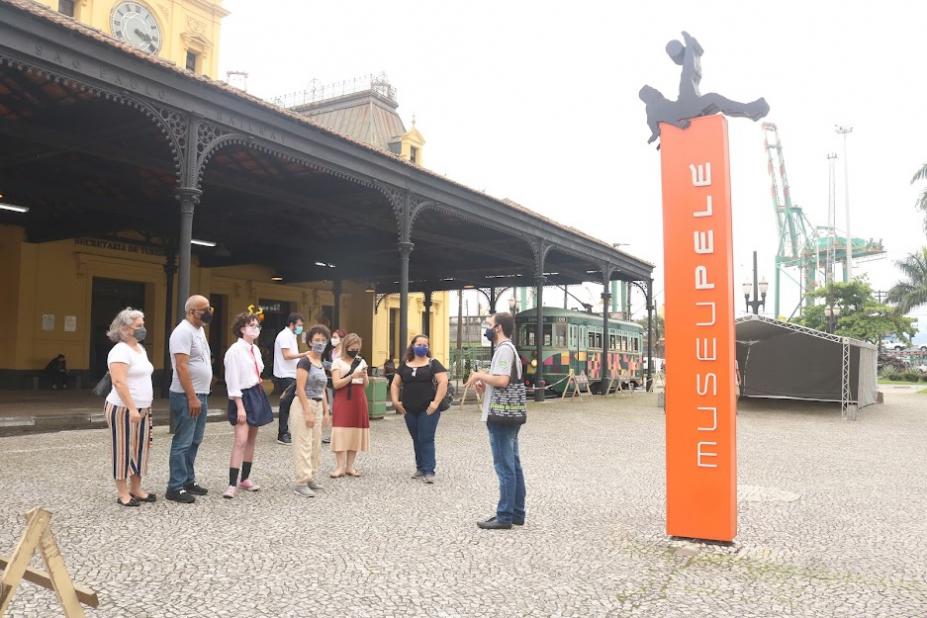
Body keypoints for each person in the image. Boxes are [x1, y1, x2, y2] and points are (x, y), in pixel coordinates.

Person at [465, 312, 526, 530]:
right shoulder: (509, 349)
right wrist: (485, 381)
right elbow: (501, 380)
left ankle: (505, 515)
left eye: (489, 324)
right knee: (514, 464)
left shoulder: (503, 349)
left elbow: (502, 380)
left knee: (504, 465)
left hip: (500, 415)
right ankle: (517, 512)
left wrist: (480, 376)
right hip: (510, 414)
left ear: (498, 327)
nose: (487, 328)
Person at [103, 308, 155, 507]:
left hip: (143, 408)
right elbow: (119, 382)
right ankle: (123, 492)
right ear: (125, 329)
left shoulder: (141, 349)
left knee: (142, 448)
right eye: (139, 326)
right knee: (123, 448)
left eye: (143, 325)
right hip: (123, 409)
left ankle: (137, 488)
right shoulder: (119, 351)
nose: (143, 329)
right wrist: (132, 408)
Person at [166, 295, 213, 504]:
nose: (208, 312)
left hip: (201, 394)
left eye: (208, 308)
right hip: (187, 395)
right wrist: (192, 397)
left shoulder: (199, 329)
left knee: (195, 440)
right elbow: (181, 366)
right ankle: (174, 486)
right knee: (182, 441)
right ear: (191, 311)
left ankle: (188, 480)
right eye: (203, 309)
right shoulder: (182, 332)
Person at [222, 312, 274, 499]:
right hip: (242, 395)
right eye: (251, 325)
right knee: (240, 441)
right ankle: (231, 484)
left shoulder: (255, 350)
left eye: (257, 326)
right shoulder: (234, 351)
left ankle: (245, 478)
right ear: (242, 329)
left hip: (256, 392)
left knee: (252, 439)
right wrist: (239, 405)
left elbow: (258, 371)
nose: (256, 329)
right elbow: (232, 380)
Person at [390, 336, 448, 484]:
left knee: (426, 438)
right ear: (413, 346)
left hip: (428, 409)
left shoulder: (433, 363)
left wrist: (435, 403)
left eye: (425, 345)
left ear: (428, 347)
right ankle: (420, 467)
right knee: (416, 438)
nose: (422, 347)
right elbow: (395, 384)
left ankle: (429, 470)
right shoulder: (404, 365)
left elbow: (443, 382)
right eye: (419, 344)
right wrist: (396, 401)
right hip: (409, 409)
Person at [291, 324, 331, 497]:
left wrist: (326, 409)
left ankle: (311, 476)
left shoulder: (320, 363)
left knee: (315, 444)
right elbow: (300, 388)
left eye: (323, 340)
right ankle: (301, 481)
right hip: (303, 404)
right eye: (316, 340)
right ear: (309, 342)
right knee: (304, 444)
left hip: (317, 405)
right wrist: (307, 411)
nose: (320, 343)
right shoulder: (304, 361)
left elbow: (322, 388)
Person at [330, 333, 369, 478]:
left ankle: (349, 467)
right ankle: (339, 466)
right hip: (343, 399)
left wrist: (364, 375)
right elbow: (336, 384)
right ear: (346, 346)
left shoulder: (361, 361)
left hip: (359, 399)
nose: (354, 349)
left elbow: (366, 385)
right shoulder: (337, 362)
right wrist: (351, 376)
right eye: (352, 346)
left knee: (355, 432)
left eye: (357, 346)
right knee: (340, 431)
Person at [273, 313, 309, 445]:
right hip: (285, 374)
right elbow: (287, 355)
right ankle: (282, 434)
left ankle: (286, 431)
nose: (300, 328)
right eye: (299, 325)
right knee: (286, 404)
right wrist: (304, 354)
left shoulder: (291, 335)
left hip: (292, 374)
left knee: (290, 404)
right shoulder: (284, 335)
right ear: (292, 324)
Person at [321, 328, 345, 445]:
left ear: (342, 339)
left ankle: (340, 434)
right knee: (333, 408)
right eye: (333, 337)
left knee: (340, 408)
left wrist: (334, 367)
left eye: (336, 337)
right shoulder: (331, 352)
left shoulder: (345, 353)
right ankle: (333, 434)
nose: (333, 339)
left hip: (341, 382)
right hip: (330, 382)